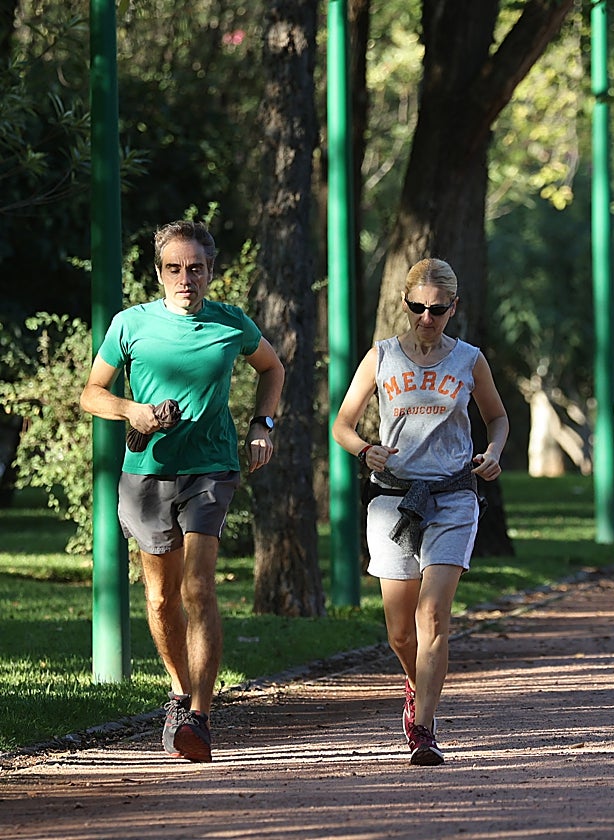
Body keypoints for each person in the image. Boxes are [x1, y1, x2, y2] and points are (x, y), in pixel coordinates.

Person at [80, 220, 284, 762]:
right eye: (175, 268)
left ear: (210, 272)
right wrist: (135, 411)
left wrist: (262, 426)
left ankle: (201, 716)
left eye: (196, 268)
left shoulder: (230, 323)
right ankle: (177, 689)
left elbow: (272, 367)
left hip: (211, 468)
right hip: (146, 471)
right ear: (159, 272)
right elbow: (91, 394)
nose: (185, 278)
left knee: (198, 589)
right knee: (160, 597)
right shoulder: (131, 324)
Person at [332, 257, 508, 766]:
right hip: (393, 499)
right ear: (405, 304)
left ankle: (424, 730)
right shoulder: (381, 358)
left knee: (433, 614)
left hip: (453, 497)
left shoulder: (469, 360)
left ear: (453, 308)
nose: (426, 317)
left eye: (436, 309)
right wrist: (365, 450)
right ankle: (417, 682)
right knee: (400, 632)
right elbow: (342, 424)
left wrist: (492, 453)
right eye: (417, 307)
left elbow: (497, 419)